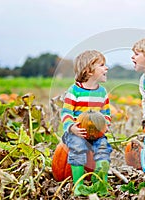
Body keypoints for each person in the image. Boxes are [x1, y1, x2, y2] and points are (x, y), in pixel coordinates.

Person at [61, 50, 112, 196]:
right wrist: (72, 127)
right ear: (89, 71)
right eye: (102, 65)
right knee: (77, 148)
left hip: (96, 133)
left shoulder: (102, 93)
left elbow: (106, 114)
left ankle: (101, 184)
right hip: (77, 133)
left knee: (103, 150)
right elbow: (66, 113)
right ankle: (79, 185)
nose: (106, 68)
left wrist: (105, 125)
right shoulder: (74, 91)